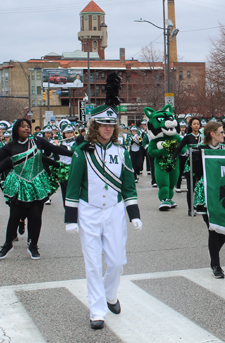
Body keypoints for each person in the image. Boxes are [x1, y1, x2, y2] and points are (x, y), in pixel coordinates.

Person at [64, 72, 142, 330]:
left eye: (111, 125)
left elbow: (129, 185)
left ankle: (110, 295)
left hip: (115, 212)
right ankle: (97, 311)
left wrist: (134, 214)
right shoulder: (81, 152)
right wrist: (70, 218)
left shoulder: (121, 152)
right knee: (93, 263)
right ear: (95, 127)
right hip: (88, 212)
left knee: (117, 261)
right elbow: (73, 186)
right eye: (103, 126)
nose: (108, 129)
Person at [0, 119, 73, 260]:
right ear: (16, 129)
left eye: (28, 126)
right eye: (23, 126)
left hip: (37, 183)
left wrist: (76, 154)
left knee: (36, 216)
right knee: (14, 216)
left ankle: (33, 245)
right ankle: (8, 244)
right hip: (19, 184)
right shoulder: (10, 147)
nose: (26, 129)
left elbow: (55, 150)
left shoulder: (38, 141)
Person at [191, 122, 225, 278]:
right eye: (221, 132)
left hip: (222, 193)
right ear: (212, 134)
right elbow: (196, 173)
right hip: (206, 192)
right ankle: (216, 265)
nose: (224, 135)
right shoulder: (199, 150)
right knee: (214, 228)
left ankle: (213, 255)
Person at [173, 118, 203, 216]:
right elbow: (179, 148)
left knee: (200, 186)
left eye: (198, 124)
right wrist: (173, 157)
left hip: (201, 165)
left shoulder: (202, 137)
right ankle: (190, 208)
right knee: (191, 187)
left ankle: (199, 205)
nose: (196, 126)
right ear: (190, 125)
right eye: (194, 124)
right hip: (191, 165)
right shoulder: (187, 137)